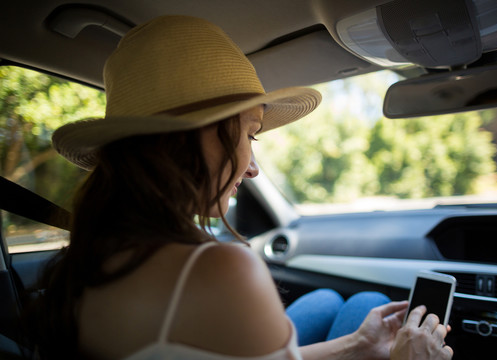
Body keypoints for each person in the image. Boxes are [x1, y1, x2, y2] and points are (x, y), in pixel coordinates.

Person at [28, 15, 453, 360]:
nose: (251, 170)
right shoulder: (216, 270)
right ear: (191, 137)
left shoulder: (89, 257)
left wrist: (360, 345)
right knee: (362, 303)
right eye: (250, 135)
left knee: (327, 301)